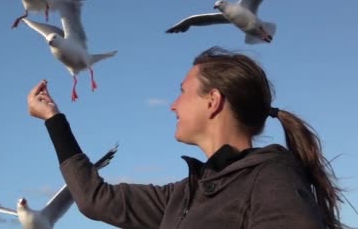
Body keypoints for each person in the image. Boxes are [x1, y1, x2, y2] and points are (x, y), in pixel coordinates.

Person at [27, 46, 344, 228]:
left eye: (182, 92)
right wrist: (53, 119)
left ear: (213, 100)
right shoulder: (183, 196)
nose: (173, 104)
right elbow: (95, 199)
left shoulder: (271, 180)